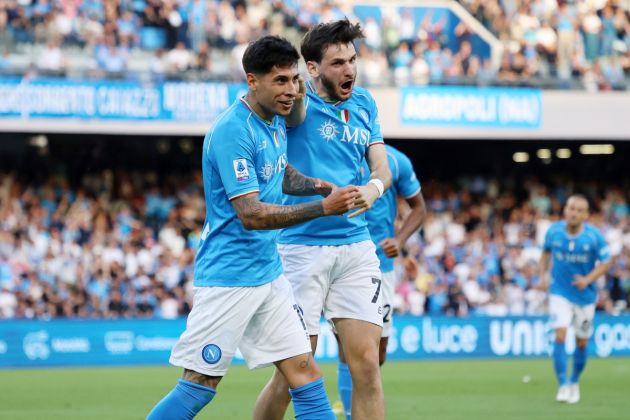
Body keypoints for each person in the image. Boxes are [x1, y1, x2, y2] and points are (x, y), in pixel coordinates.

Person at [147, 35, 360, 420]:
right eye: (280, 81)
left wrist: (316, 185)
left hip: (268, 274)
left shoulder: (273, 119)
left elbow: (279, 174)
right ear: (252, 81)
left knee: (306, 375)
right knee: (199, 385)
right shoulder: (233, 131)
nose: (292, 90)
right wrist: (322, 207)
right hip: (230, 278)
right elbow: (251, 213)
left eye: (294, 80)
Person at [253, 19, 392, 420]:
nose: (349, 70)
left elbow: (380, 169)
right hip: (300, 249)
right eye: (336, 63)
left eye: (352, 60)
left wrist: (374, 189)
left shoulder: (364, 103)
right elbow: (293, 113)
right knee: (294, 372)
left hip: (355, 247)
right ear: (311, 69)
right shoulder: (297, 103)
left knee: (366, 364)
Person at [337, 144, 426, 419]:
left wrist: (399, 240)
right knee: (346, 347)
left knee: (378, 352)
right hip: (340, 258)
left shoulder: (396, 161)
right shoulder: (337, 151)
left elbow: (419, 208)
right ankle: (353, 413)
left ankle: (358, 403)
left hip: (380, 266)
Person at [539, 194, 611, 404]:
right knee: (559, 335)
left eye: (579, 210)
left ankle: (573, 381)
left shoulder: (593, 237)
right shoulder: (553, 232)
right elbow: (545, 254)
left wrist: (587, 279)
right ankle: (562, 384)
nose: (574, 213)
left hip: (585, 297)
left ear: (586, 215)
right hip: (559, 292)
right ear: (565, 210)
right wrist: (542, 276)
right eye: (571, 208)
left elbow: (607, 262)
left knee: (581, 342)